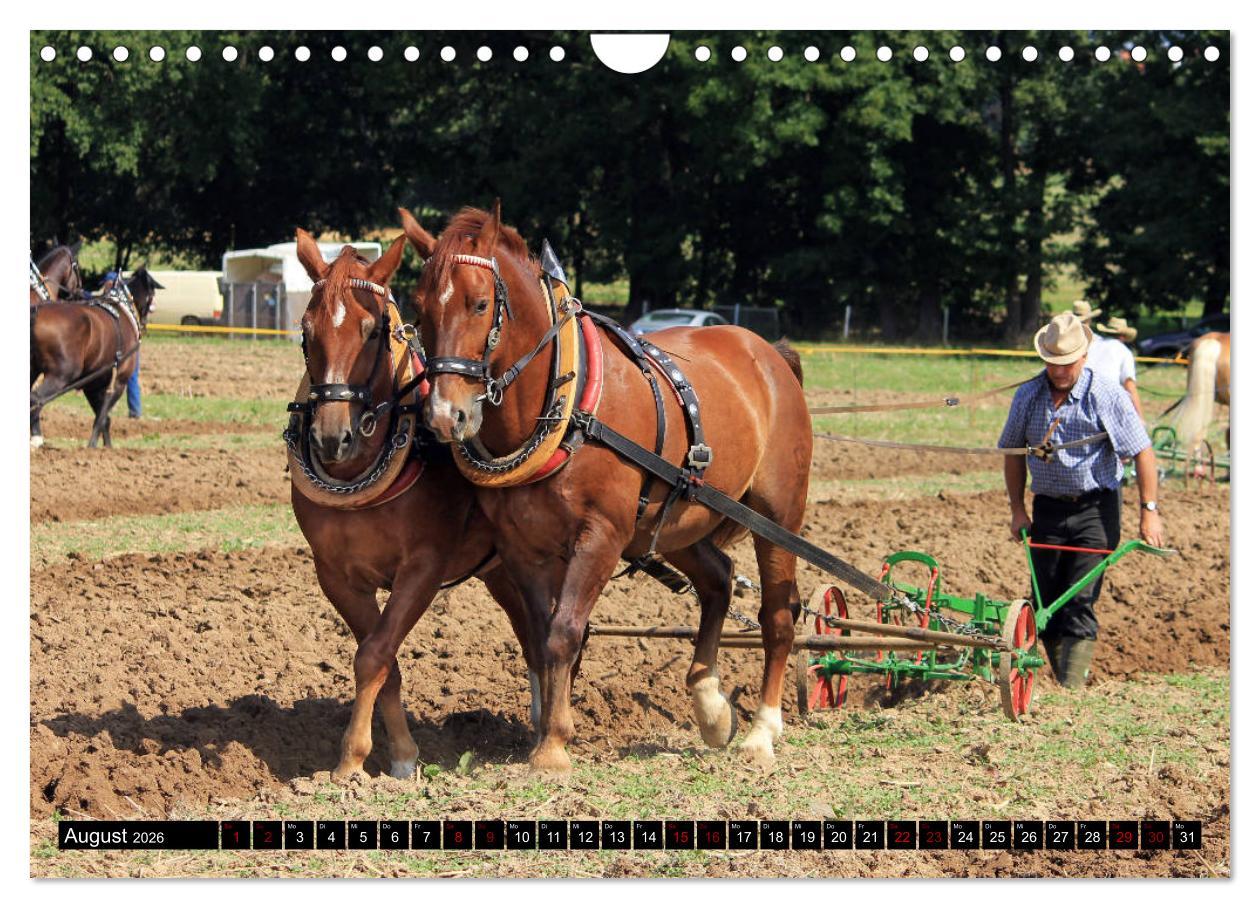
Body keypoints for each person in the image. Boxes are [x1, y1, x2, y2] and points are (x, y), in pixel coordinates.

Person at [998, 311, 1164, 688]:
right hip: (1048, 511)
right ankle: (1059, 679)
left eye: (1066, 363)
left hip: (1095, 510)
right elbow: (1011, 452)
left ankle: (1071, 689)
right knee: (1047, 602)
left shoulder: (1106, 394)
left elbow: (1142, 450)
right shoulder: (1027, 396)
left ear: (1083, 356)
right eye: (1052, 363)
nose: (1058, 371)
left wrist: (1149, 511)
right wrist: (1017, 509)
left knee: (1079, 599)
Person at [1088, 314, 1143, 419]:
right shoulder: (1124, 351)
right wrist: (1140, 417)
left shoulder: (1093, 345)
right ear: (1123, 336)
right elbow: (1130, 387)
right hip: (1107, 402)